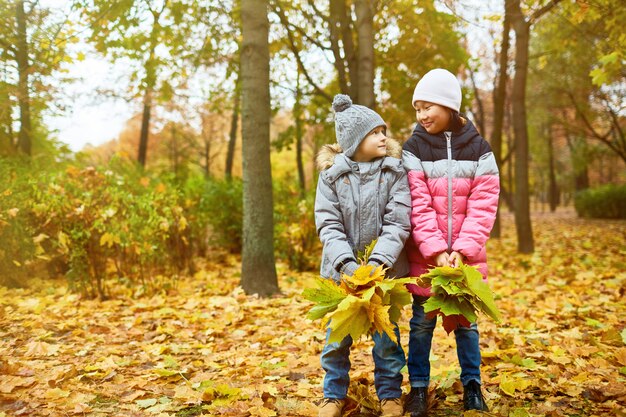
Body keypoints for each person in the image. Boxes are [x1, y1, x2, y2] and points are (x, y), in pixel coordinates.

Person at [401, 69, 499, 417]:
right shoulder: (412, 149)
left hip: (465, 259)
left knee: (467, 326)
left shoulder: (480, 150)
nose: (422, 115)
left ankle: (473, 386)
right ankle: (417, 389)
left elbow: (484, 204)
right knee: (420, 325)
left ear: (448, 104)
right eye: (417, 109)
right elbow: (416, 203)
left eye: (428, 106)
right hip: (427, 258)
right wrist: (436, 250)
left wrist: (462, 250)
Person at [314, 94, 411, 417]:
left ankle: (390, 395)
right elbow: (328, 224)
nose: (384, 137)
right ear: (355, 140)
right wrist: (349, 265)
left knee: (387, 340)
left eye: (384, 131)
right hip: (342, 274)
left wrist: (376, 264)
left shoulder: (395, 172)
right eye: (375, 132)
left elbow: (398, 221)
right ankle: (332, 394)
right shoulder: (331, 176)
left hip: (383, 275)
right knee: (336, 339)